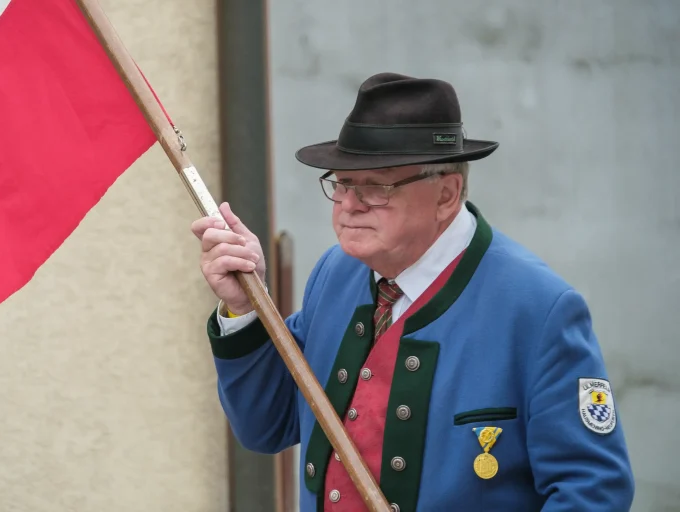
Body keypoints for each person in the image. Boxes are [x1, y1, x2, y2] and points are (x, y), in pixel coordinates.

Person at [191, 73, 634, 511]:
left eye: (376, 186)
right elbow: (268, 425)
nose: (349, 205)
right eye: (342, 182)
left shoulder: (538, 308)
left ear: (446, 195)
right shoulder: (335, 273)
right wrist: (245, 306)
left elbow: (593, 492)